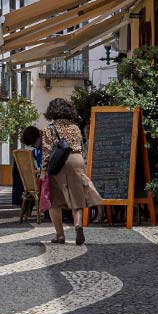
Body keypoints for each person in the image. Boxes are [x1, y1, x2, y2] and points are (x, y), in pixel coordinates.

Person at [42, 97, 103, 245]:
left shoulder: (49, 129)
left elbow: (47, 151)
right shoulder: (75, 128)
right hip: (76, 160)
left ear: (52, 112)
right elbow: (81, 147)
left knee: (55, 201)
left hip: (58, 163)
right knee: (78, 196)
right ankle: (78, 224)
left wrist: (44, 170)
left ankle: (60, 235)